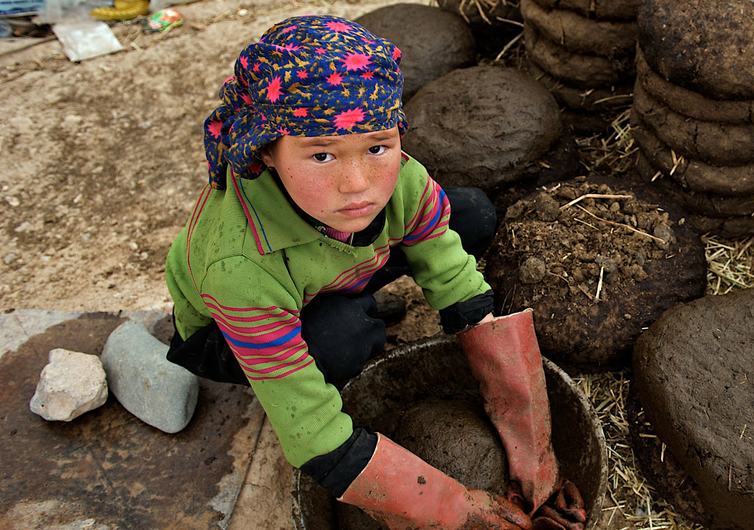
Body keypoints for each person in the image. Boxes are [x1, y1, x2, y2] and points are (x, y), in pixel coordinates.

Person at [163, 15, 557, 528]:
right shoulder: (239, 262)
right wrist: (453, 510)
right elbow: (311, 430)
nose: (357, 184)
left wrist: (532, 443)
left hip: (333, 267)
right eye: (321, 154)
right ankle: (353, 323)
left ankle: (353, 301)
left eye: (377, 147)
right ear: (266, 152)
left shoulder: (399, 181)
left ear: (397, 132)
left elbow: (461, 285)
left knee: (472, 213)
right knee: (347, 334)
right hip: (228, 329)